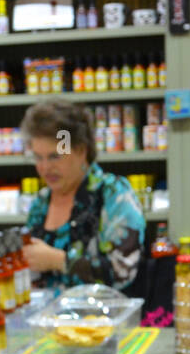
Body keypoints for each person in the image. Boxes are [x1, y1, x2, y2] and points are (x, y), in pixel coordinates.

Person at [20, 99, 146, 295]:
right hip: (45, 320)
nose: (44, 168)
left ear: (80, 150)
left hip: (101, 321)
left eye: (55, 156)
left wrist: (60, 261)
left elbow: (122, 271)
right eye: (38, 157)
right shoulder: (41, 202)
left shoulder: (112, 194)